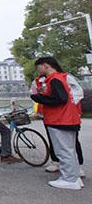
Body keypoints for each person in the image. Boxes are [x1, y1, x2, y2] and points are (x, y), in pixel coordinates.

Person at [31, 57, 84, 190]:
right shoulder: (63, 77)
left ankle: (69, 179)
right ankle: (74, 177)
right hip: (69, 118)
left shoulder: (54, 79)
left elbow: (60, 99)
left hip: (59, 119)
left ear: (46, 65)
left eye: (39, 67)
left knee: (63, 151)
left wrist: (39, 98)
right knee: (69, 150)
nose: (38, 70)